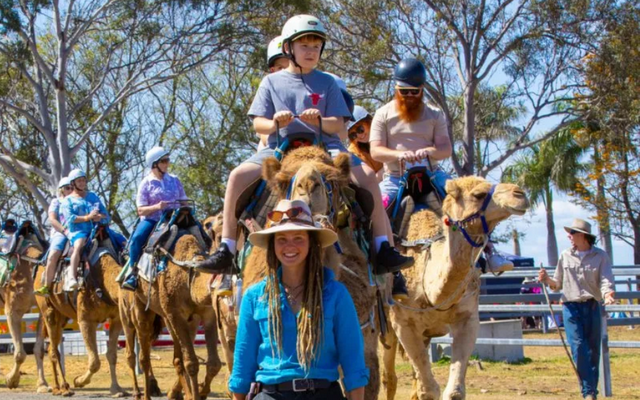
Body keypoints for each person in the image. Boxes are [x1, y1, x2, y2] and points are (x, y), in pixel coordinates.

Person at [196, 15, 412, 276]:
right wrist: (274, 122)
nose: (311, 52)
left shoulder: (328, 82)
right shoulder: (270, 83)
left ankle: (382, 249)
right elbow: (258, 125)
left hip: (326, 149)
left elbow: (338, 126)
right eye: (304, 46)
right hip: (280, 148)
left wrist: (321, 119)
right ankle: (227, 249)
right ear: (288, 48)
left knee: (366, 176)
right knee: (236, 176)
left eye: (316, 46)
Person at [369, 57, 512, 277]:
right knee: (373, 209)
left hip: (431, 174)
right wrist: (399, 155)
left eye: (413, 92)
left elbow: (445, 148)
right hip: (396, 177)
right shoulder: (383, 114)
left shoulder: (434, 114)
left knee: (471, 201)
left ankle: (490, 253)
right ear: (396, 88)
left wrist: (428, 152)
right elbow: (376, 151)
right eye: (403, 91)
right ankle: (375, 263)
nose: (408, 96)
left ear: (422, 89)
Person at [229, 199, 368, 400]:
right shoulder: (254, 297)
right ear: (273, 244)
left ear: (311, 242)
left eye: (298, 237)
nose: (289, 246)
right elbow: (242, 366)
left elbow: (353, 362)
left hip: (323, 395)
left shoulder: (336, 294)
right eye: (282, 239)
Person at [538, 218, 615, 400]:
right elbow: (557, 283)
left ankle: (590, 391)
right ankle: (588, 392)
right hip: (571, 306)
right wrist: (547, 280)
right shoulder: (565, 255)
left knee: (593, 350)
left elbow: (606, 279)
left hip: (592, 305)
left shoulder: (600, 256)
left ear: (583, 236)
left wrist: (608, 293)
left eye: (572, 233)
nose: (569, 236)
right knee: (578, 347)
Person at [121, 146, 188, 291]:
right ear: (154, 164)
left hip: (175, 218)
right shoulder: (146, 183)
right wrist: (157, 207)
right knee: (137, 238)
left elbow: (184, 200)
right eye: (164, 161)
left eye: (167, 160)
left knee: (201, 229)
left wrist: (185, 207)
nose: (167, 163)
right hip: (153, 220)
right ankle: (132, 272)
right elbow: (140, 210)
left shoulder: (175, 180)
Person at [61, 168, 110, 292]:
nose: (82, 183)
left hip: (97, 229)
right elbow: (70, 218)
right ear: (73, 183)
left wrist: (100, 217)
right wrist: (88, 217)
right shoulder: (68, 200)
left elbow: (106, 215)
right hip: (79, 231)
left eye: (83, 180)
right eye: (79, 181)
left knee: (119, 241)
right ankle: (72, 276)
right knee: (78, 246)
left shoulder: (93, 196)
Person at [36, 176, 74, 295]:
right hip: (61, 232)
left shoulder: (78, 201)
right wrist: (65, 231)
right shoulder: (56, 202)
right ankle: (46, 286)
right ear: (61, 190)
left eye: (73, 188)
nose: (71, 190)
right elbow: (52, 220)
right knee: (53, 255)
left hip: (79, 231)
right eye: (68, 188)